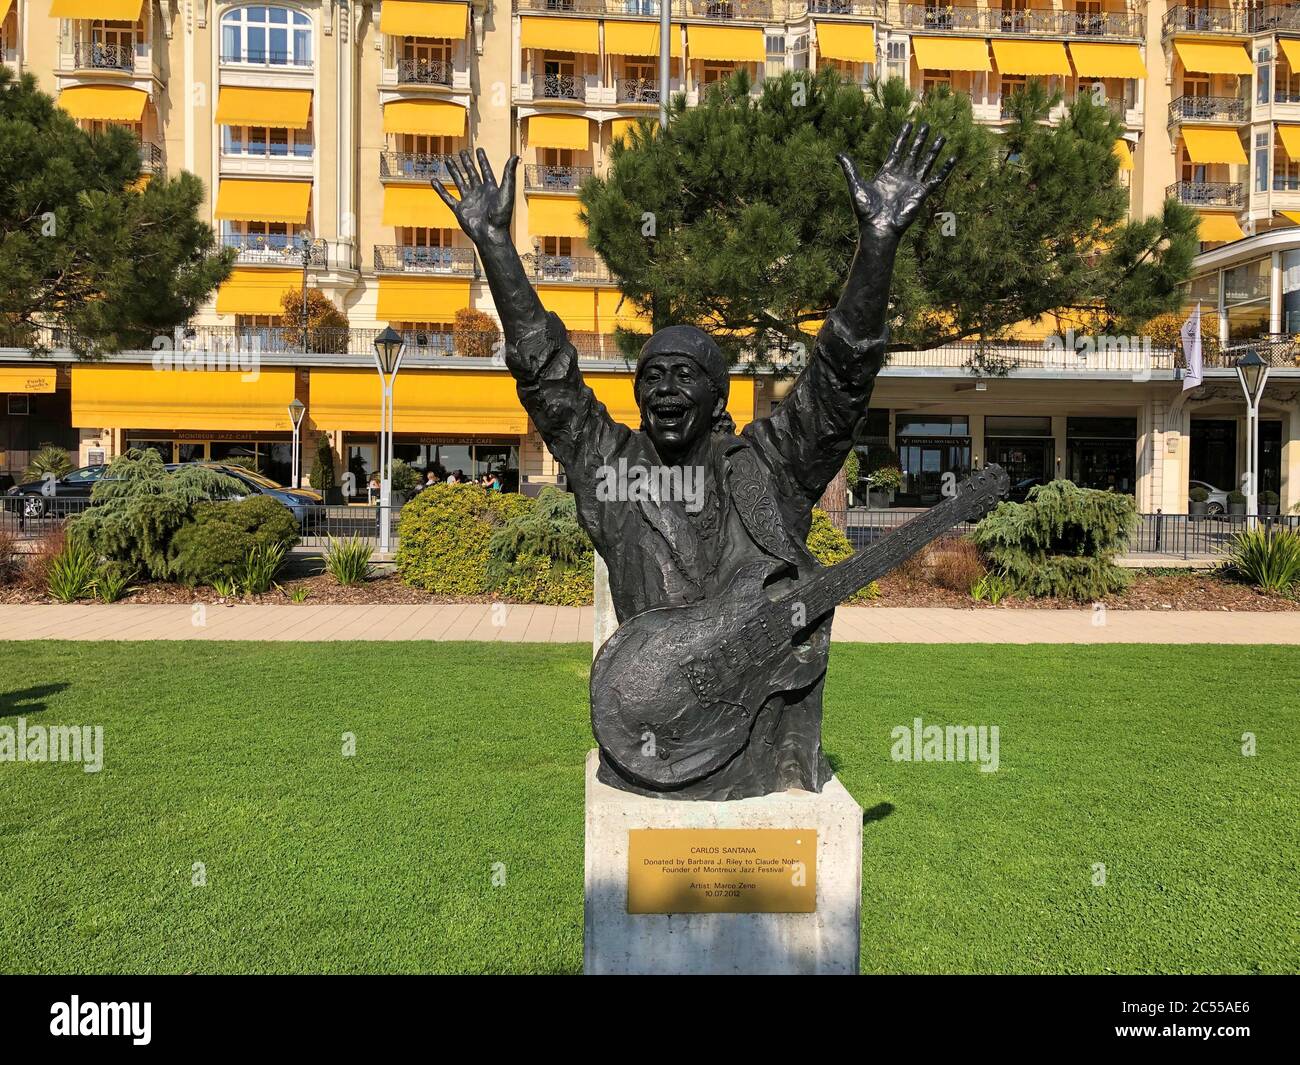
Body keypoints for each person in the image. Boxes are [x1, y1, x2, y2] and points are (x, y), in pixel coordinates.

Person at [434, 129, 952, 799]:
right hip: (657, 729)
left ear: (716, 398)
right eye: (652, 377)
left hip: (755, 741)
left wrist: (878, 243)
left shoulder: (768, 465)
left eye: (684, 376)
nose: (666, 390)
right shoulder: (611, 468)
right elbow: (548, 376)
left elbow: (839, 380)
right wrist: (497, 248)